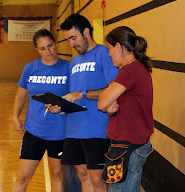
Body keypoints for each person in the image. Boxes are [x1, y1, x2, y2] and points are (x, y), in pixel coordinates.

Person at [48, 14, 119, 192]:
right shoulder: (74, 62)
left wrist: (83, 94)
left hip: (97, 129)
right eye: (68, 40)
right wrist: (62, 106)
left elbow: (114, 91)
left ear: (86, 31)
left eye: (74, 37)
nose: (71, 44)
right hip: (74, 129)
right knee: (83, 175)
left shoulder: (104, 54)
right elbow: (74, 95)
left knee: (98, 179)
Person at [98, 26, 154, 192]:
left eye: (109, 49)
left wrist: (107, 105)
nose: (109, 54)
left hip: (128, 147)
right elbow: (119, 104)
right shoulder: (137, 69)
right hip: (133, 145)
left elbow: (102, 103)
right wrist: (112, 110)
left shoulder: (130, 70)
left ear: (118, 47)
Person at [12, 29, 69, 192]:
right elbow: (21, 95)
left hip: (59, 132)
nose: (48, 51)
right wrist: (15, 117)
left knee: (57, 176)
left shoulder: (68, 68)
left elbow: (75, 98)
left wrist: (62, 106)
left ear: (56, 44)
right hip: (33, 131)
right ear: (36, 50)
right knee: (22, 177)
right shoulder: (30, 68)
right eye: (42, 48)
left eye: (50, 46)